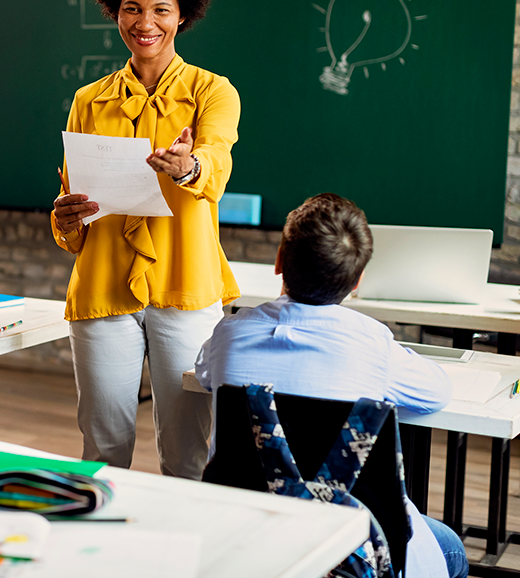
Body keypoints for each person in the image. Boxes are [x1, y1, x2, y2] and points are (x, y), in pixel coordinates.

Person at [194, 192, 467, 578]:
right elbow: (437, 393)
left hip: (244, 532)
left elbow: (204, 374)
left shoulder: (230, 335)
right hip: (353, 544)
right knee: (452, 550)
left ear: (278, 261)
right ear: (357, 281)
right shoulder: (372, 345)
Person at [51, 0, 240, 479]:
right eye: (131, 8)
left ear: (183, 13)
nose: (145, 23)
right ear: (115, 10)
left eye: (161, 9)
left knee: (187, 455)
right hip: (105, 284)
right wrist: (64, 217)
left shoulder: (213, 91)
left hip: (184, 286)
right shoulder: (89, 100)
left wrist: (190, 167)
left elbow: (217, 160)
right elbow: (72, 209)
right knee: (103, 450)